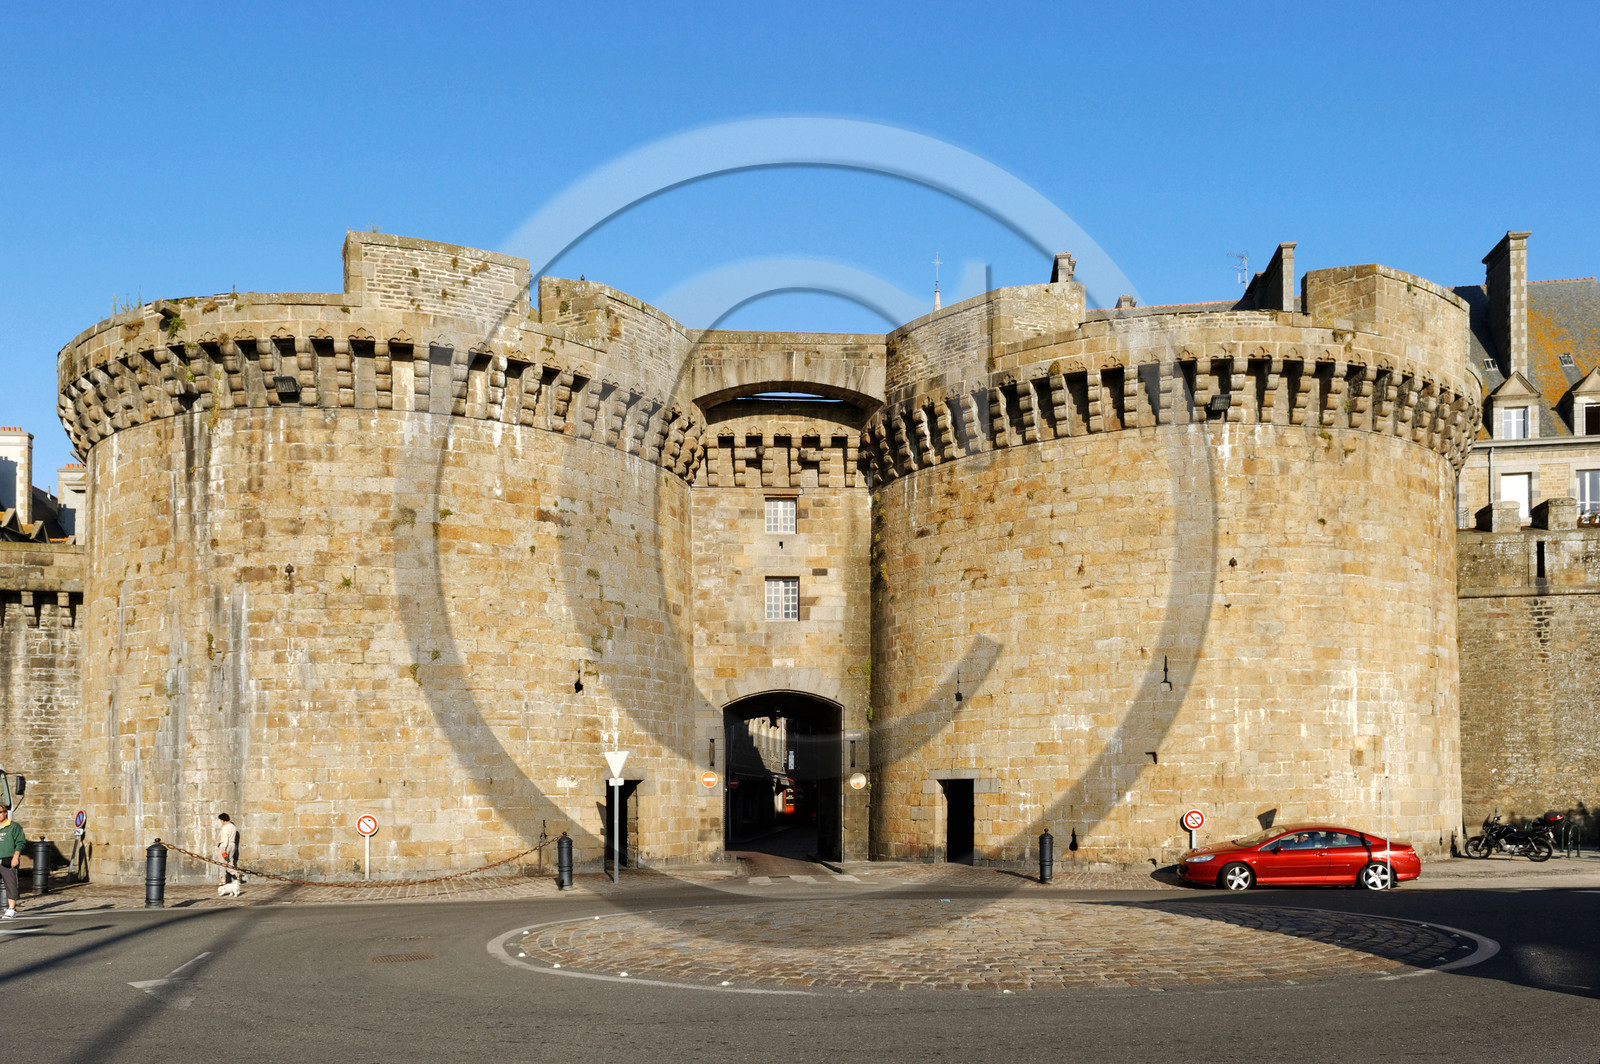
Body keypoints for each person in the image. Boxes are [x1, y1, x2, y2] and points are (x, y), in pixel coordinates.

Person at [0, 804, 24, 918]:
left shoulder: (13, 826)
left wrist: (16, 856)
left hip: (7, 859)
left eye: (0, 812)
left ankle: (11, 909)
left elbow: (20, 842)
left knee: (10, 884)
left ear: (5, 812)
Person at [215, 813, 240, 887]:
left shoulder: (225, 827)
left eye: (220, 820)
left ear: (222, 820)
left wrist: (223, 849)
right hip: (232, 845)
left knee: (222, 863)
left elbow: (225, 839)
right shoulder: (233, 827)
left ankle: (223, 880)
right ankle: (236, 874)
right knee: (230, 862)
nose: (220, 822)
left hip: (225, 845)